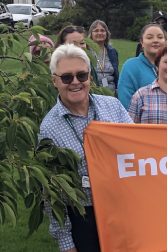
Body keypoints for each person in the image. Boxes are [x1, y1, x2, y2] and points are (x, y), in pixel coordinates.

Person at [41, 44, 133, 252]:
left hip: (124, 209)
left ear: (90, 77)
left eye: (81, 75)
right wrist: (66, 243)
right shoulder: (49, 128)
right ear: (54, 81)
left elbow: (139, 151)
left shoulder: (113, 106)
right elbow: (52, 194)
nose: (75, 82)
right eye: (66, 77)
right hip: (85, 217)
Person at [118, 23, 167, 109]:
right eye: (149, 37)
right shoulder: (130, 67)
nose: (155, 40)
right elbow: (126, 102)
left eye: (160, 37)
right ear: (142, 42)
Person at [87, 20, 120, 93]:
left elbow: (116, 73)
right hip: (94, 90)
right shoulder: (87, 52)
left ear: (107, 33)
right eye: (96, 31)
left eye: (102, 30)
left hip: (111, 91)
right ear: (91, 34)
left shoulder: (112, 51)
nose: (99, 33)